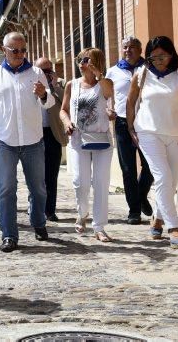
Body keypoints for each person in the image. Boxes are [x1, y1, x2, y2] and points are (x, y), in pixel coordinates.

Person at [0, 32, 54, 252]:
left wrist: (43, 94)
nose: (20, 55)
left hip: (33, 140)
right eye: (15, 51)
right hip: (4, 141)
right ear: (4, 50)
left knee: (39, 189)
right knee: (6, 189)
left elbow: (49, 103)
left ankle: (38, 222)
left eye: (23, 50)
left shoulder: (37, 72)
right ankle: (9, 235)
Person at [126, 36, 178, 249]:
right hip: (148, 133)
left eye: (162, 55)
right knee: (163, 176)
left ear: (171, 55)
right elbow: (130, 103)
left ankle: (157, 218)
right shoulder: (141, 75)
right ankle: (173, 227)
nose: (158, 59)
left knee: (171, 181)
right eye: (153, 56)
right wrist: (131, 128)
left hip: (177, 135)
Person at [59, 48, 116, 241]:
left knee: (100, 183)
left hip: (101, 140)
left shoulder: (105, 84)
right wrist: (67, 122)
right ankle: (82, 213)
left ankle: (99, 226)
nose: (82, 64)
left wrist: (99, 74)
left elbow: (108, 94)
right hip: (78, 139)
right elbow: (63, 110)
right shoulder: (71, 85)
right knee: (80, 183)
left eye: (86, 60)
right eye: (80, 60)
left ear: (97, 63)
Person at [105, 36, 154, 224]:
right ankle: (134, 210)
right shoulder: (112, 72)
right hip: (123, 124)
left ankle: (141, 195)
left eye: (132, 47)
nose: (128, 51)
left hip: (146, 123)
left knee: (149, 165)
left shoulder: (148, 69)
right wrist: (109, 108)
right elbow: (107, 96)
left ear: (140, 50)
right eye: (125, 47)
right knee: (128, 169)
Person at [34, 57, 68, 222]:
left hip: (52, 133)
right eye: (42, 70)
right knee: (36, 175)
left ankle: (50, 210)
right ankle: (35, 207)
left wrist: (53, 86)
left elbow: (65, 104)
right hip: (34, 134)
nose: (45, 73)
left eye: (48, 70)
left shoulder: (60, 84)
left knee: (51, 175)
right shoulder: (30, 84)